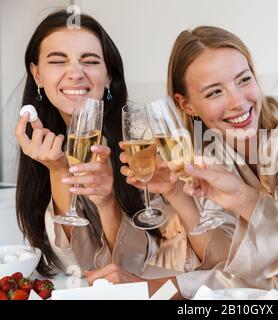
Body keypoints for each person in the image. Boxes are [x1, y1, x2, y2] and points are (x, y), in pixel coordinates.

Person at [84, 26, 278, 300]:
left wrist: (169, 288)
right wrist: (175, 192)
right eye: (215, 92)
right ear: (187, 105)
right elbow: (225, 259)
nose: (237, 102)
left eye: (244, 80)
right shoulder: (208, 147)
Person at [15, 10, 194, 279]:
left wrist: (107, 201)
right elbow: (75, 266)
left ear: (109, 76)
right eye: (57, 61)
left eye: (89, 60)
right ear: (37, 74)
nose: (75, 73)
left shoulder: (142, 141)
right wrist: (58, 170)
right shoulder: (42, 147)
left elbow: (144, 264)